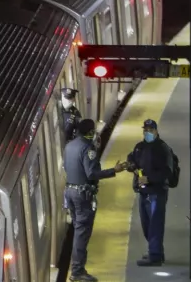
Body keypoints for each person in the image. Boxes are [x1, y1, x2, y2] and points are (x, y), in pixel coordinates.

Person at [64, 118, 127, 282]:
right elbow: (91, 173)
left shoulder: (69, 146)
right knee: (82, 233)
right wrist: (114, 170)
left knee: (78, 230)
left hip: (70, 192)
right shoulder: (88, 148)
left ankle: (77, 268)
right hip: (83, 195)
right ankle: (77, 271)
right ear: (91, 132)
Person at [126, 118, 174, 266]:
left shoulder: (163, 148)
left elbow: (168, 172)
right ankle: (157, 251)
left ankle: (155, 256)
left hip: (157, 192)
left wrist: (149, 179)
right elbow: (131, 158)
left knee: (155, 224)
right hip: (144, 192)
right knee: (147, 224)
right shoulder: (140, 147)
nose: (147, 133)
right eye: (145, 130)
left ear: (156, 131)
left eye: (150, 130)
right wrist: (131, 165)